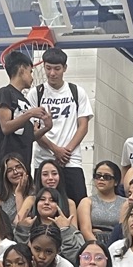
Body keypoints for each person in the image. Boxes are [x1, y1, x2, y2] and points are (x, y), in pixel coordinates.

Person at [28, 48, 92, 203]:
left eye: (57, 69)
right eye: (48, 68)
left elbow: (83, 126)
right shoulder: (36, 93)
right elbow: (33, 130)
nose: (52, 73)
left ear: (64, 68)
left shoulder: (76, 91)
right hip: (43, 158)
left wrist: (66, 151)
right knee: (43, 203)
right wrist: (55, 149)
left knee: (79, 202)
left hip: (71, 159)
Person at [0, 51, 50, 176]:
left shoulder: (24, 100)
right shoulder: (5, 93)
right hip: (6, 165)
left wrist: (47, 127)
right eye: (30, 71)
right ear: (22, 69)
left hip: (23, 163)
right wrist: (29, 114)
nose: (32, 77)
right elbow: (6, 127)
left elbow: (28, 137)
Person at [77, 161, 127, 245]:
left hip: (117, 244)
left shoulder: (125, 203)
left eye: (106, 177)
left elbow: (124, 230)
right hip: (93, 244)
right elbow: (85, 230)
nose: (101, 179)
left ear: (116, 182)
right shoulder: (87, 202)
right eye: (98, 176)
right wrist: (99, 248)